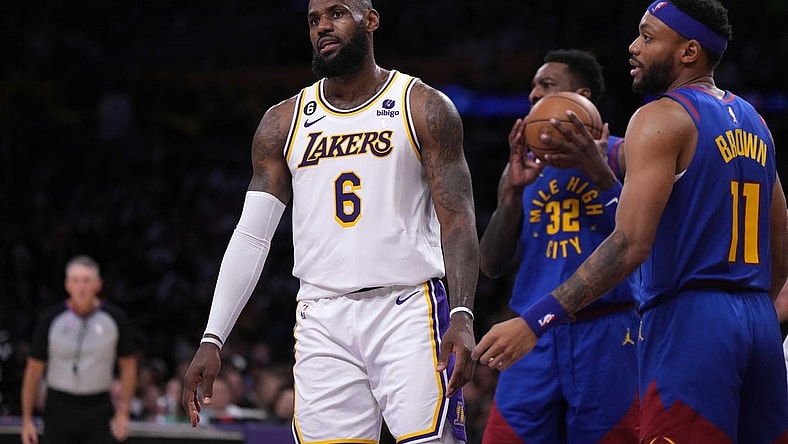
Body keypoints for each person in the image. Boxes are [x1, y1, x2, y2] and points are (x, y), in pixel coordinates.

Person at [473, 0, 788, 442]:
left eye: (648, 36)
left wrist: (534, 320)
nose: (633, 47)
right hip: (758, 319)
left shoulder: (660, 116)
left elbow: (629, 244)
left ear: (689, 51)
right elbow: (780, 236)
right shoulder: (756, 122)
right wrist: (749, 311)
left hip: (689, 321)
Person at [181, 1, 480, 443]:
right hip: (321, 315)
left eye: (337, 14)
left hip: (407, 308)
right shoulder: (283, 122)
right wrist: (213, 336)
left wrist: (462, 313)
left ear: (370, 20)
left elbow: (457, 219)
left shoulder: (423, 106)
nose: (323, 26)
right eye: (314, 20)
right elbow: (251, 236)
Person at [479, 49, 639, 444]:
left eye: (546, 85)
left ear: (580, 97)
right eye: (533, 86)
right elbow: (491, 264)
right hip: (532, 335)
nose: (533, 94)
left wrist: (601, 175)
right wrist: (511, 194)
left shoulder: (622, 154)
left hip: (607, 332)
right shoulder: (523, 166)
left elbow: (640, 238)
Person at [20, 255, 138, 444]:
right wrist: (26, 420)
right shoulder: (50, 320)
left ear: (98, 284)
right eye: (75, 281)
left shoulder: (115, 319)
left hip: (98, 407)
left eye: (86, 280)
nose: (81, 287)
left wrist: (123, 412)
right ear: (67, 285)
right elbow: (33, 371)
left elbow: (129, 366)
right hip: (58, 406)